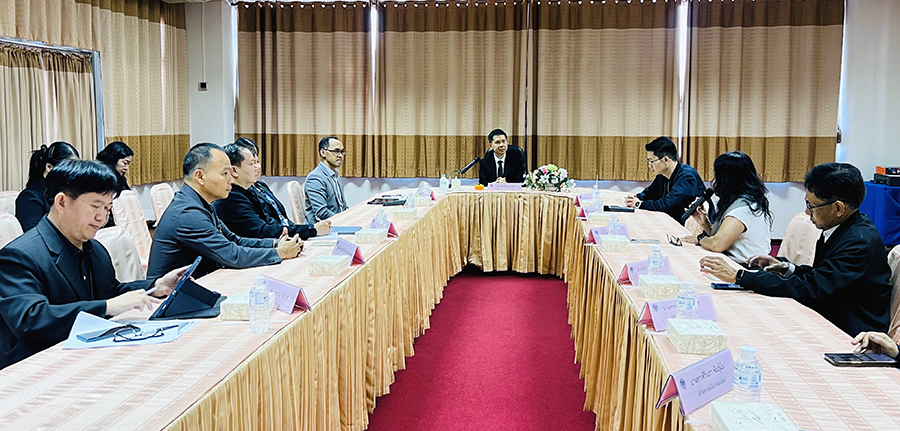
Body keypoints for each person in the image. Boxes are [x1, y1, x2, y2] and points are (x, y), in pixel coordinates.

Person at [0, 159, 186, 370]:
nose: (102, 217)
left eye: (107, 208)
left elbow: (110, 292)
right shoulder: (19, 256)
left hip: (86, 355)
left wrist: (157, 286)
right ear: (61, 202)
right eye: (95, 206)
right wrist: (107, 307)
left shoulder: (94, 248)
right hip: (36, 365)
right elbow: (31, 320)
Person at [700, 163, 893, 336]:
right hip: (832, 310)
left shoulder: (858, 243)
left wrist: (741, 277)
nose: (807, 212)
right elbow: (824, 275)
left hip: (851, 332)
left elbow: (813, 288)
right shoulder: (843, 227)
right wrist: (788, 269)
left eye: (811, 206)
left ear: (838, 208)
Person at [147, 143, 302, 280]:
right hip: (170, 297)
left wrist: (275, 243)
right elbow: (232, 255)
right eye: (225, 173)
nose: (231, 180)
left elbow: (235, 240)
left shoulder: (200, 204)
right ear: (200, 176)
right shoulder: (188, 214)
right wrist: (280, 252)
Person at [214, 139, 331, 239]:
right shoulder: (231, 198)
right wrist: (311, 229)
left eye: (257, 162)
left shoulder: (254, 188)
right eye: (252, 163)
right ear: (234, 170)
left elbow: (279, 220)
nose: (257, 167)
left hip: (284, 237)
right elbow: (262, 231)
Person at [680, 152, 772, 264]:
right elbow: (721, 238)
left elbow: (717, 245)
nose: (714, 181)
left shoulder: (743, 208)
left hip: (744, 267)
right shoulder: (741, 200)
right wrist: (704, 223)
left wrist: (700, 239)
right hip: (736, 263)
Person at [624, 137, 705, 225]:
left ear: (665, 160)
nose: (649, 166)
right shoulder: (663, 174)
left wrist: (639, 204)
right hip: (672, 221)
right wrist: (635, 198)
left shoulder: (687, 177)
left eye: (651, 161)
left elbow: (668, 205)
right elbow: (649, 194)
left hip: (692, 227)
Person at [16, 141, 80, 232]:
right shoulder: (29, 196)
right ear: (49, 167)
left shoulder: (70, 192)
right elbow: (34, 234)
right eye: (69, 169)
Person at [305, 136, 349, 223]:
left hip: (337, 221)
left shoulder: (335, 174)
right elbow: (322, 213)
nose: (340, 155)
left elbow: (343, 206)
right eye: (336, 151)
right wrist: (343, 220)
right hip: (323, 226)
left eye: (342, 152)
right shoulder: (315, 178)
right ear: (323, 152)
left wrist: (350, 216)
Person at [96, 141, 135, 227]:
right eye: (125, 163)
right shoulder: (102, 177)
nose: (126, 168)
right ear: (114, 159)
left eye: (128, 164)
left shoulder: (120, 178)